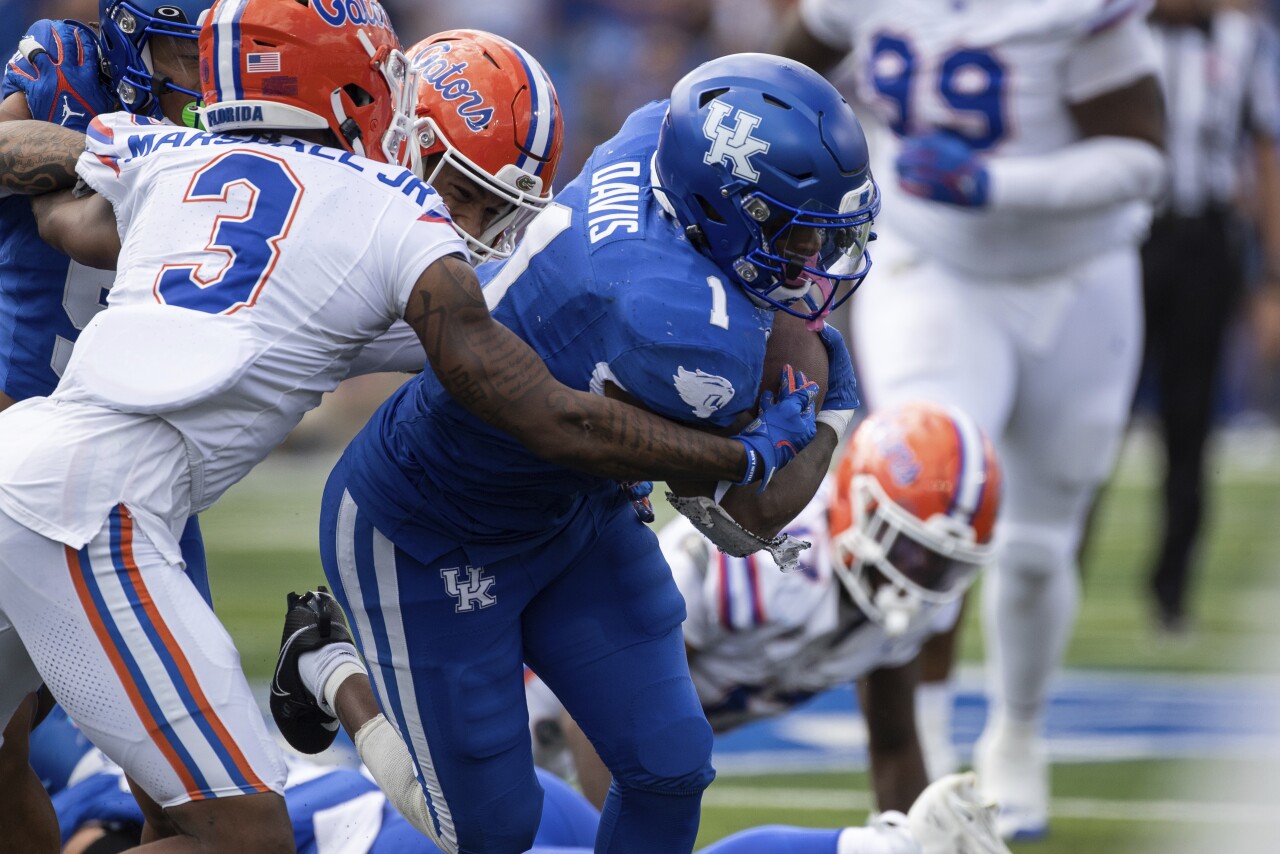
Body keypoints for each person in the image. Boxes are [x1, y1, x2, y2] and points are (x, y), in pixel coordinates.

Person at [0, 2, 822, 850]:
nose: (477, 220)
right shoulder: (394, 210)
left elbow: (62, 215)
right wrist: (736, 453)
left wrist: (79, 135)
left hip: (32, 462)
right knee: (244, 839)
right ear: (355, 97)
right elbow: (540, 409)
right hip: (94, 510)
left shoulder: (175, 153)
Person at [268, 51, 878, 854]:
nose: (814, 252)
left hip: (573, 510)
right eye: (797, 228)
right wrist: (832, 411)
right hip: (430, 528)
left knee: (670, 764)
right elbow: (747, 514)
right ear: (728, 208)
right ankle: (326, 668)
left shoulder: (659, 134)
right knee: (486, 831)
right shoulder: (680, 329)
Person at [773, 0, 1168, 840]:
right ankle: (921, 742)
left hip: (1076, 272)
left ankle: (1018, 733)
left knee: (1038, 544)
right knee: (918, 499)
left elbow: (1143, 159)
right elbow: (779, 83)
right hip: (932, 263)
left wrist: (998, 184)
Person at [532, 401, 1003, 820]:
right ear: (860, 506)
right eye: (910, 549)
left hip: (612, 730)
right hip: (542, 698)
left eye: (943, 565)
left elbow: (895, 745)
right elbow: (608, 707)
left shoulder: (903, 608)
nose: (917, 577)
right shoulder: (770, 563)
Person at [0, 3, 210, 850]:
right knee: (7, 740)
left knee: (191, 792)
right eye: (182, 55)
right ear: (128, 39)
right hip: (22, 435)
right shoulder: (65, 63)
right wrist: (127, 156)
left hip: (142, 473)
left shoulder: (250, 122)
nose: (203, 80)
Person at [29, 702, 1005, 854]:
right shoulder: (111, 749)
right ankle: (871, 844)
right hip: (449, 809)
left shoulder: (94, 797)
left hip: (396, 835)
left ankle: (882, 847)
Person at [1140, 0, 1280, 635]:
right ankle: (1060, 571)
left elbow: (1265, 154)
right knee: (1091, 415)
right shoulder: (1117, 29)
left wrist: (1272, 277)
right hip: (1129, 238)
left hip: (1206, 242)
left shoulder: (1244, 40)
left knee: (1191, 423)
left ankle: (1172, 592)